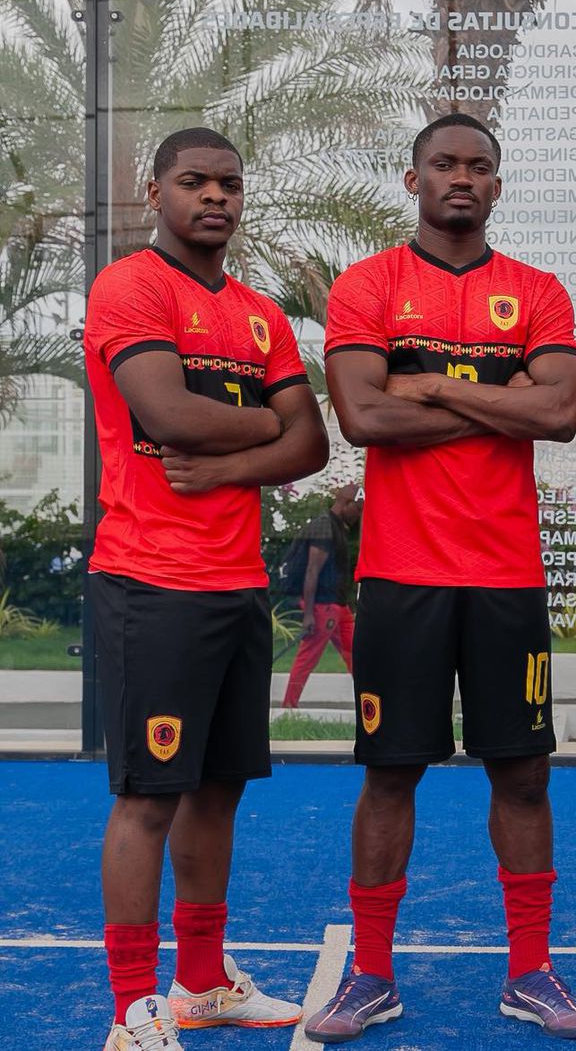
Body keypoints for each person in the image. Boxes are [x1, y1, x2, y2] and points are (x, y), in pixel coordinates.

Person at [303, 112, 576, 1044]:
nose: (460, 179)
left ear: (498, 186)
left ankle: (530, 974)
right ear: (414, 179)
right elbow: (361, 417)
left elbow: (559, 414)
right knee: (391, 774)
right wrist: (499, 404)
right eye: (444, 165)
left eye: (478, 166)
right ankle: (373, 976)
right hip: (400, 575)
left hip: (507, 576)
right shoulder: (369, 286)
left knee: (522, 774)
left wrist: (427, 385)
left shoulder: (537, 292)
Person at [84, 127, 329, 1051]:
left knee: (218, 788)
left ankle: (200, 984)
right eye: (194, 182)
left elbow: (311, 447)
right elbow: (165, 410)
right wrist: (269, 416)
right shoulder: (132, 287)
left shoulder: (261, 314)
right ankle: (131, 1007)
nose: (215, 198)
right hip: (150, 580)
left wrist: (234, 463)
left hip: (235, 584)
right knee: (148, 796)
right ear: (156, 194)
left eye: (229, 184)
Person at [282, 484, 364, 709]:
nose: (358, 516)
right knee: (308, 657)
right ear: (346, 503)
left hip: (339, 606)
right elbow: (312, 571)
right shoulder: (324, 526)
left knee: (357, 652)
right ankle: (289, 707)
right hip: (322, 606)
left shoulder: (337, 527)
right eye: (357, 510)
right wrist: (308, 614)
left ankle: (368, 701)